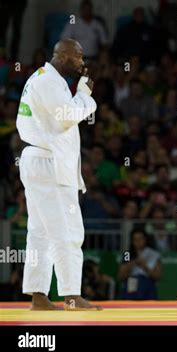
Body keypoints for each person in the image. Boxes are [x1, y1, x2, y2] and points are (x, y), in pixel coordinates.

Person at [16, 39, 101, 310]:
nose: (82, 62)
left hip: (41, 160)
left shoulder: (43, 78)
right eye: (78, 56)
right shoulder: (49, 82)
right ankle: (71, 295)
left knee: (39, 232)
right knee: (67, 230)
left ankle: (39, 295)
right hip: (48, 163)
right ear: (63, 56)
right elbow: (67, 116)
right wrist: (85, 95)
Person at [118, 228, 161, 300]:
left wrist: (144, 266)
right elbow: (121, 275)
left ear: (145, 239)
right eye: (135, 239)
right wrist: (133, 263)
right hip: (131, 282)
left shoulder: (153, 254)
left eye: (140, 239)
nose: (138, 242)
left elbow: (158, 276)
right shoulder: (127, 254)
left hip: (147, 283)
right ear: (132, 241)